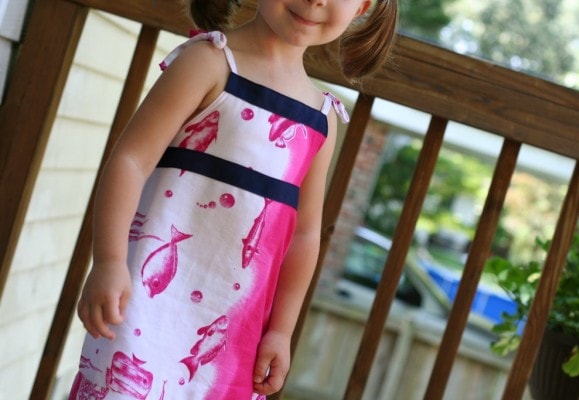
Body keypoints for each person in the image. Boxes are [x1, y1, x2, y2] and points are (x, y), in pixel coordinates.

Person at [70, 0, 398, 398]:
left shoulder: (320, 118)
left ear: (363, 6)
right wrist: (108, 260)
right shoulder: (209, 63)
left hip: (235, 333)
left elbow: (305, 235)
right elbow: (131, 161)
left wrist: (281, 330)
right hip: (144, 309)